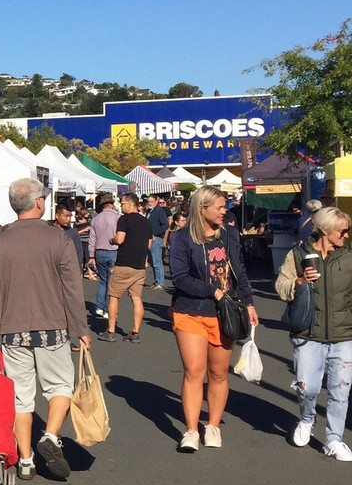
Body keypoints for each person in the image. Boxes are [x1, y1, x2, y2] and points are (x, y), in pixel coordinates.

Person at [0, 178, 91, 481]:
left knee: (21, 398)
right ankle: (51, 435)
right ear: (38, 203)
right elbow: (72, 288)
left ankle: (26, 459)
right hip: (52, 328)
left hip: (11, 332)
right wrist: (80, 328)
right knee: (60, 388)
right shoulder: (59, 240)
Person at [169, 186, 259, 452]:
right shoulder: (182, 238)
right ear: (202, 208)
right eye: (219, 207)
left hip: (226, 313)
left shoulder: (230, 235)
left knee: (218, 373)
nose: (224, 211)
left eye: (224, 206)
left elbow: (239, 272)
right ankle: (191, 430)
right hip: (191, 311)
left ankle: (214, 426)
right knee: (194, 372)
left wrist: (250, 302)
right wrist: (213, 291)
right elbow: (180, 277)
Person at [275, 206, 352, 461]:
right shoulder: (298, 254)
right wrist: (299, 283)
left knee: (340, 391)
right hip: (308, 333)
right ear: (325, 230)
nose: (347, 235)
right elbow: (281, 285)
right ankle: (307, 419)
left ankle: (334, 439)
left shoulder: (349, 256)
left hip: (344, 334)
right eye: (343, 230)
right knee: (307, 388)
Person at [100, 193, 152, 344]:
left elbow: (120, 239)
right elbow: (149, 244)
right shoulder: (146, 222)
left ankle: (111, 331)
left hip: (124, 263)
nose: (121, 206)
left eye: (122, 204)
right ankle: (135, 332)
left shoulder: (124, 219)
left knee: (114, 296)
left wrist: (112, 239)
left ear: (130, 205)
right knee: (136, 298)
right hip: (139, 266)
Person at [88, 195, 119, 318]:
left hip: (99, 251)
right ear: (111, 204)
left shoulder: (95, 219)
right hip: (113, 250)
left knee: (103, 280)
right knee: (112, 282)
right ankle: (107, 309)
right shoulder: (117, 218)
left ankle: (99, 306)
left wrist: (91, 255)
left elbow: (92, 239)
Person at [146, 194, 170, 289]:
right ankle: (157, 281)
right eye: (149, 202)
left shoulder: (159, 211)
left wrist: (155, 234)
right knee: (153, 261)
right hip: (149, 238)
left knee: (157, 262)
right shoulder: (150, 210)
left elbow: (166, 225)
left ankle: (160, 283)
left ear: (156, 201)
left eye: (152, 202)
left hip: (156, 238)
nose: (150, 203)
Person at [54, 202, 85, 274]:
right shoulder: (48, 230)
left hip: (68, 271)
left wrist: (79, 271)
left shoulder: (73, 233)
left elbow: (79, 253)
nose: (68, 219)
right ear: (57, 216)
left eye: (70, 216)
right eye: (65, 216)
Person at [75, 209, 96, 279]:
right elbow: (75, 233)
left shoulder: (88, 222)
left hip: (87, 242)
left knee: (88, 258)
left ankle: (90, 274)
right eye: (87, 213)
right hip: (80, 242)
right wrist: (84, 230)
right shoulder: (77, 223)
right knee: (80, 259)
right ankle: (80, 275)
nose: (88, 214)